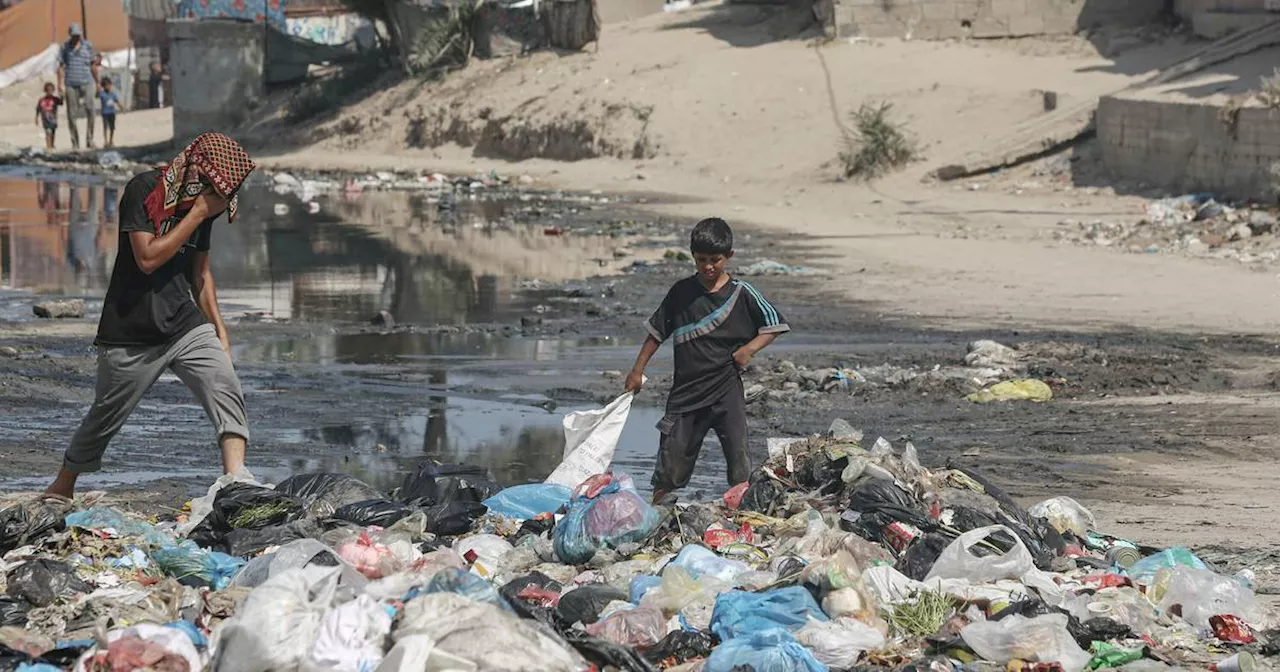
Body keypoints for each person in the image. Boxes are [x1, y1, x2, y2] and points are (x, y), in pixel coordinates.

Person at [45, 132, 257, 499]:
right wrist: (198, 214)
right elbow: (148, 259)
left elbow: (200, 275)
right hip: (131, 330)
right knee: (104, 417)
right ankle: (63, 486)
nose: (221, 205)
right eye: (218, 197)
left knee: (225, 385)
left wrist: (220, 332)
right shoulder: (144, 190)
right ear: (198, 177)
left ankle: (235, 480)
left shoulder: (203, 205)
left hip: (184, 324)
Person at [625, 218, 790, 504]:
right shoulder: (681, 293)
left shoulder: (742, 293)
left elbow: (775, 326)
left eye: (715, 260)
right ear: (692, 256)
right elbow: (655, 334)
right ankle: (656, 514)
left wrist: (748, 350)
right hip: (686, 394)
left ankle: (741, 514)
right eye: (701, 260)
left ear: (729, 256)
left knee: (739, 461)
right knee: (670, 467)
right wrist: (637, 370)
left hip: (727, 391)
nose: (709, 266)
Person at [57, 22, 98, 150]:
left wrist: (98, 82)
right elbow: (61, 67)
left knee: (91, 110)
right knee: (71, 114)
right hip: (71, 83)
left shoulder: (88, 46)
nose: (76, 38)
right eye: (74, 35)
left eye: (78, 35)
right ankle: (75, 142)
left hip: (87, 81)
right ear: (70, 35)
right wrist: (60, 84)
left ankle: (89, 139)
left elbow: (93, 65)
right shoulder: (65, 47)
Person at [34, 82, 61, 151]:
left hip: (53, 119)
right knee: (48, 132)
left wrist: (62, 95)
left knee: (53, 133)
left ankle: (52, 144)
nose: (49, 92)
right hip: (45, 120)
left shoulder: (55, 99)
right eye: (48, 90)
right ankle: (48, 146)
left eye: (51, 90)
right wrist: (36, 118)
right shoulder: (41, 100)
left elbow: (61, 102)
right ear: (45, 91)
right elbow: (38, 109)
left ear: (53, 90)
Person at [98, 77, 120, 148]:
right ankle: (105, 141)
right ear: (103, 86)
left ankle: (111, 140)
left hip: (112, 113)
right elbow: (97, 95)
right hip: (105, 113)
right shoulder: (102, 94)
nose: (109, 87)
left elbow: (117, 101)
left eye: (109, 85)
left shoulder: (113, 94)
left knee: (112, 127)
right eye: (106, 85)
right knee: (105, 127)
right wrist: (98, 88)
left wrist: (122, 108)